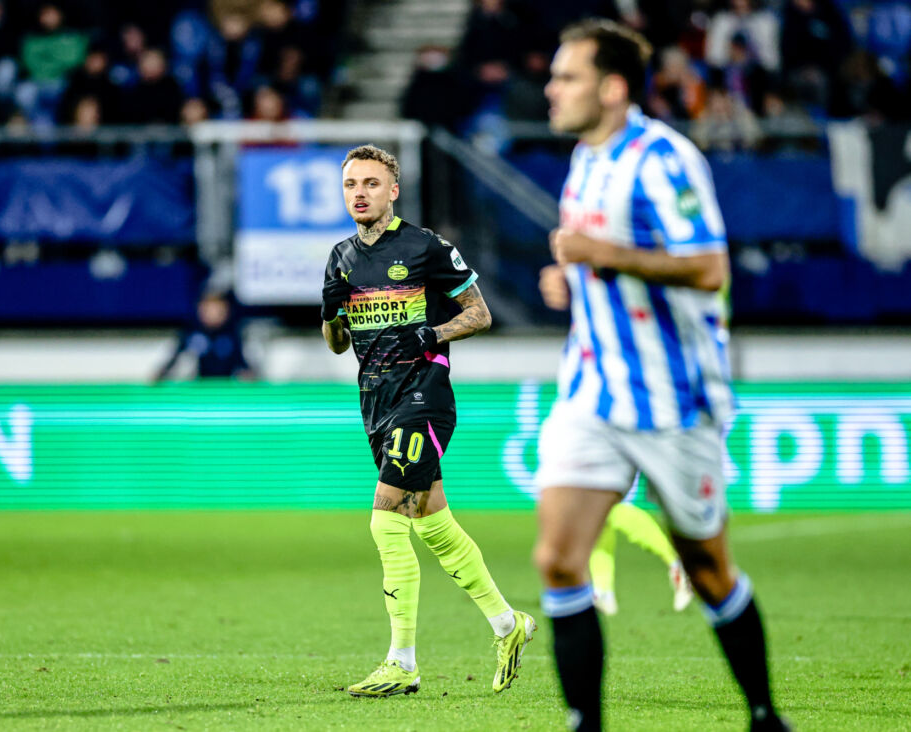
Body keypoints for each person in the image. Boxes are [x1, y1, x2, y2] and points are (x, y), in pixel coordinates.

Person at [535, 19, 789, 731]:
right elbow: (598, 261)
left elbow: (708, 268)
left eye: (568, 76)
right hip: (592, 389)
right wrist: (572, 279)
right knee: (558, 559)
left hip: (676, 400)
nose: (551, 89)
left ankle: (765, 717)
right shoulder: (585, 159)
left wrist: (604, 255)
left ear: (612, 88)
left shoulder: (662, 160)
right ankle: (586, 724)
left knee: (709, 570)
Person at [321, 145, 535, 698]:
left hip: (424, 396)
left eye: (371, 183)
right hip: (375, 399)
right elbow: (340, 343)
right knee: (430, 521)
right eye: (350, 184)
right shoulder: (340, 257)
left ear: (394, 190)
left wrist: (431, 334)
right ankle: (508, 625)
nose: (359, 193)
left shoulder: (426, 247)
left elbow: (480, 314)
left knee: (384, 518)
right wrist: (332, 313)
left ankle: (402, 661)